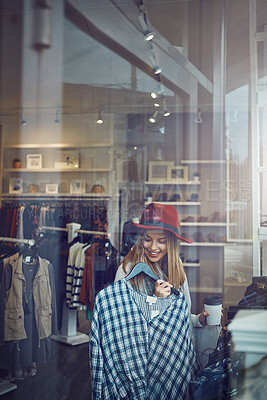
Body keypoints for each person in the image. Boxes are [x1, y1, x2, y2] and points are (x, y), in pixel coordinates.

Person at [115, 202, 210, 328]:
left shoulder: (176, 265)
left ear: (170, 242)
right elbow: (121, 321)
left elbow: (181, 317)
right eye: (148, 239)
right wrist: (156, 301)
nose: (153, 247)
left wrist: (199, 320)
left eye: (162, 241)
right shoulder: (127, 269)